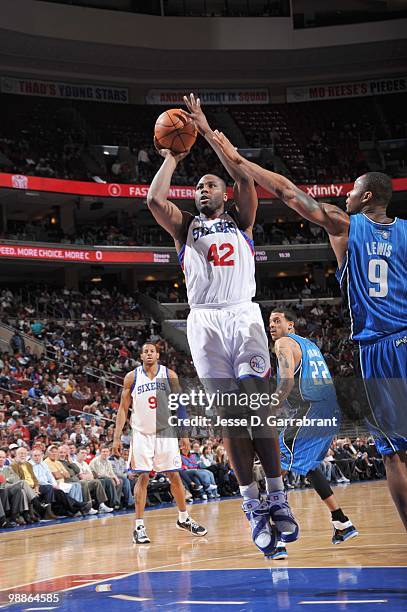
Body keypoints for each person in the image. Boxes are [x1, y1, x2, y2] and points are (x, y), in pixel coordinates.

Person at [213, 132, 407, 530]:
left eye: (353, 192)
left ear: (367, 198)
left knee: (393, 455)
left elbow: (287, 192)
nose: (347, 196)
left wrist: (236, 159)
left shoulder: (345, 225)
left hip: (379, 349)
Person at [146, 94, 298, 557]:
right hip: (206, 322)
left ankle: (276, 493)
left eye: (210, 185)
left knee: (257, 404)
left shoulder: (243, 220)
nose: (202, 190)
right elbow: (155, 198)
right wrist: (173, 156)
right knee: (232, 416)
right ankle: (252, 504)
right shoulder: (184, 228)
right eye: (197, 188)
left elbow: (245, 175)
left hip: (242, 314)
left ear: (225, 192)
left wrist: (208, 133)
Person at [269, 309, 358, 558]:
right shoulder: (309, 346)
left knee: (276, 464)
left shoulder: (284, 343)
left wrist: (267, 409)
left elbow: (286, 384)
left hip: (311, 410)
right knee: (307, 466)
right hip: (329, 411)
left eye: (277, 321)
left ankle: (276, 537)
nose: (272, 326)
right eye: (270, 322)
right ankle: (341, 521)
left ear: (291, 325)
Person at [113, 343, 207, 544]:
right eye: (145, 351)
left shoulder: (169, 375)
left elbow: (180, 405)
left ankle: (184, 518)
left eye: (152, 351)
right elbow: (123, 409)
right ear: (141, 355)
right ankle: (139, 527)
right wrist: (116, 437)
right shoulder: (132, 377)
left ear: (157, 355)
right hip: (141, 433)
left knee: (174, 475)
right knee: (144, 476)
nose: (148, 354)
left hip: (165, 431)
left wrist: (184, 434)